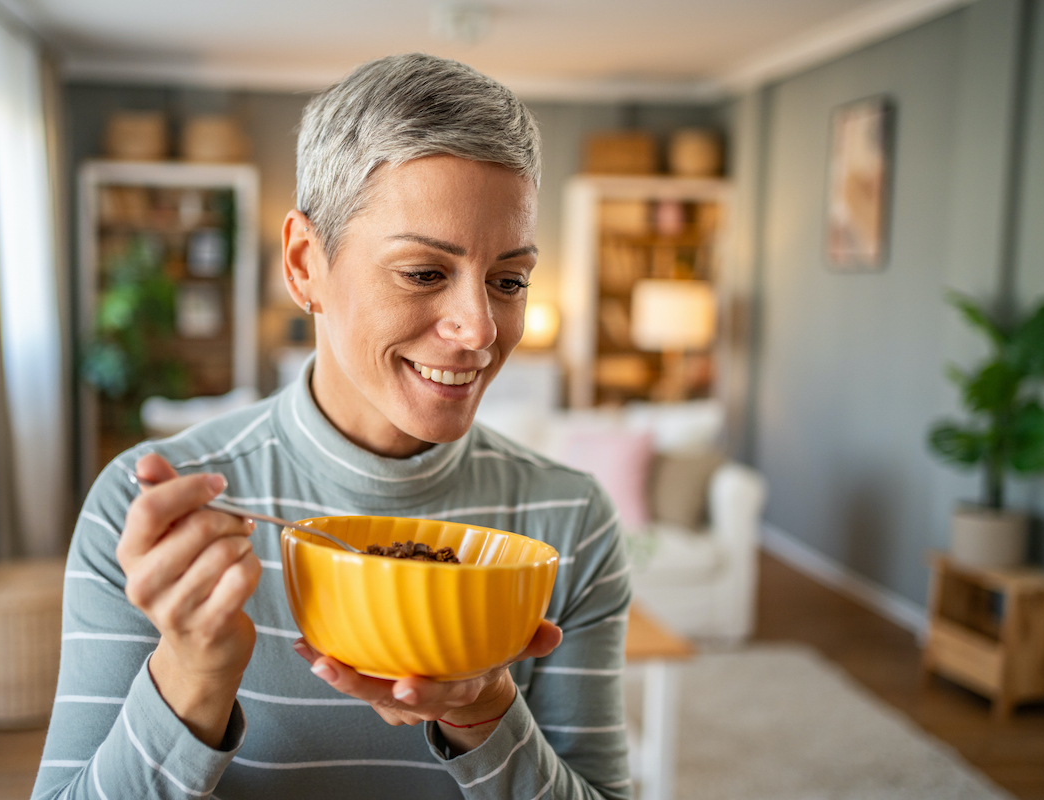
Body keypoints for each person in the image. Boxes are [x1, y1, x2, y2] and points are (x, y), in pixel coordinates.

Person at [32, 53, 631, 800]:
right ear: (304, 264)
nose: (479, 329)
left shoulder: (571, 521)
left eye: (509, 280)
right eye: (424, 272)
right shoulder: (149, 517)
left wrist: (486, 715)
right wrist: (191, 678)